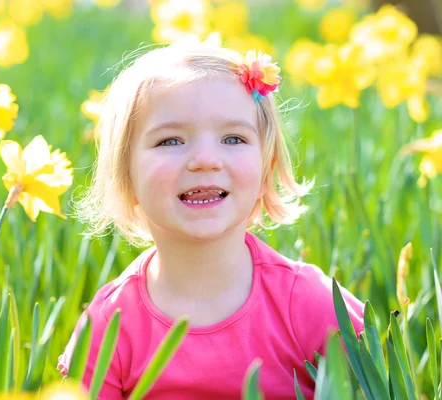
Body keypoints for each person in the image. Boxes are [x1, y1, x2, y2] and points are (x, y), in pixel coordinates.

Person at [57, 41, 364, 399]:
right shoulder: (110, 326)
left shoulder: (313, 306)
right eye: (171, 141)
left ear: (267, 170)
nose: (205, 159)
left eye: (233, 138)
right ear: (126, 176)